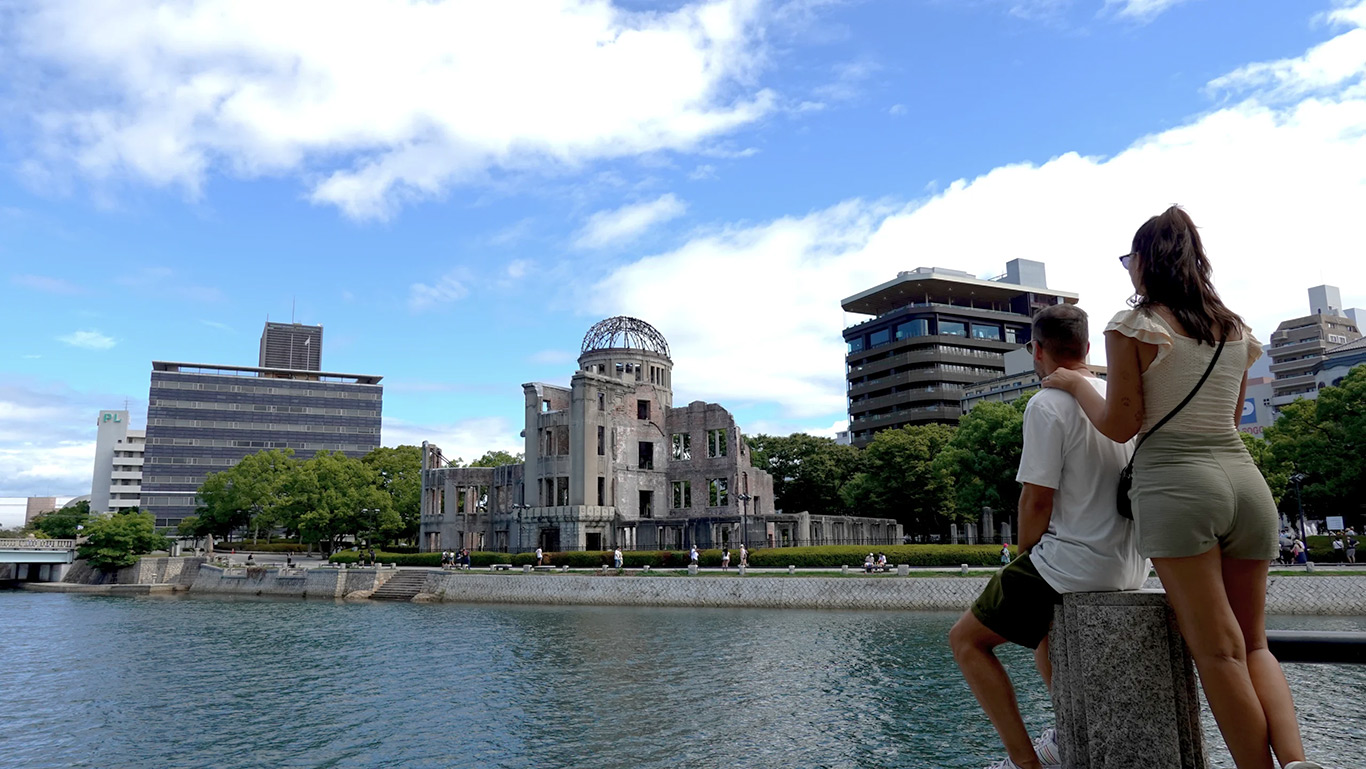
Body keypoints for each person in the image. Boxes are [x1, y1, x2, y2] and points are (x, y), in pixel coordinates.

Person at [1040, 206, 1320, 769]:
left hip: (1176, 483)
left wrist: (1073, 380)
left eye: (1129, 260)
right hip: (1246, 482)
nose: (1128, 271)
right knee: (1255, 643)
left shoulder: (1133, 325)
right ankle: (1296, 762)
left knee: (1218, 651)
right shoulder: (1234, 329)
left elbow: (1121, 422)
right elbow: (1233, 416)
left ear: (1144, 261)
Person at [951, 303, 1148, 769]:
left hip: (1073, 560)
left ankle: (1026, 763)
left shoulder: (1046, 403)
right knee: (1041, 631)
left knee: (965, 641)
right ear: (1085, 347)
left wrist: (1023, 558)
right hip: (1132, 563)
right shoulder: (1116, 398)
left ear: (1036, 350)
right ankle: (1068, 729)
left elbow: (1036, 500)